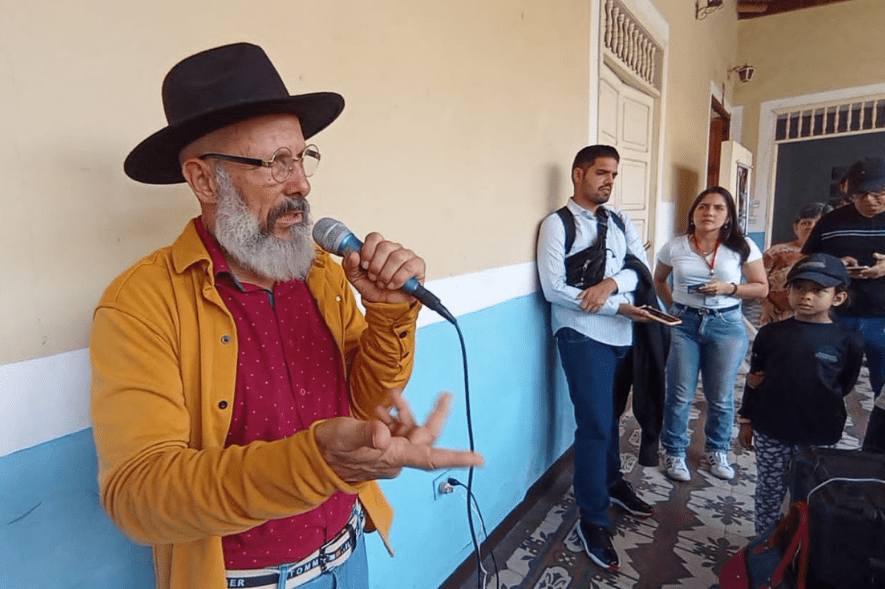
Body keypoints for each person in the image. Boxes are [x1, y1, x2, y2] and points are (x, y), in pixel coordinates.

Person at [90, 43, 483, 589]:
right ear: (204, 180)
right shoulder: (140, 304)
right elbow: (137, 494)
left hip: (349, 554)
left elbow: (366, 400)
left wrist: (390, 317)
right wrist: (314, 461)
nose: (301, 183)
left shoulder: (320, 271)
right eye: (275, 163)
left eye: (301, 157)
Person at [537, 145, 656, 571]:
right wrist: (616, 304)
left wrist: (609, 283)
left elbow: (639, 267)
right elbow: (554, 289)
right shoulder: (557, 224)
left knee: (611, 418)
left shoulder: (620, 220)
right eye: (602, 172)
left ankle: (611, 482)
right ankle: (592, 518)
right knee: (594, 424)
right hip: (582, 333)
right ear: (578, 174)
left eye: (613, 174)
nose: (609, 180)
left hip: (622, 333)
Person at [738, 254, 863, 534]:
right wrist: (747, 420)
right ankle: (765, 542)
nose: (806, 296)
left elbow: (845, 384)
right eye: (798, 288)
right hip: (772, 430)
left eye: (818, 290)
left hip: (819, 432)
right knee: (769, 489)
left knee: (808, 492)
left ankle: (799, 547)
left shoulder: (849, 340)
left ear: (838, 298)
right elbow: (755, 379)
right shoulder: (770, 334)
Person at [653, 187, 767, 482]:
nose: (709, 213)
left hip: (726, 325)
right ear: (693, 212)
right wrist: (674, 307)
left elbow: (761, 287)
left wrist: (729, 288)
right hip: (684, 325)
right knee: (679, 393)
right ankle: (674, 451)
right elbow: (659, 279)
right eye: (703, 206)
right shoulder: (676, 246)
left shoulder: (741, 247)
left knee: (721, 395)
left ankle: (717, 450)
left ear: (728, 216)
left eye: (718, 208)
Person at [803, 156, 885, 403]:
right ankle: (822, 433)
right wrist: (836, 265)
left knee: (883, 383)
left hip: (882, 317)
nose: (870, 200)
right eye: (861, 195)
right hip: (838, 313)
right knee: (826, 377)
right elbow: (808, 259)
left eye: (879, 193)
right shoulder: (831, 221)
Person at [759, 202, 832, 325]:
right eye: (806, 223)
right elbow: (758, 281)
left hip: (818, 319)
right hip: (778, 317)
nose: (810, 227)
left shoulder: (831, 255)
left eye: (817, 223)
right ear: (795, 227)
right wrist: (766, 306)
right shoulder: (776, 252)